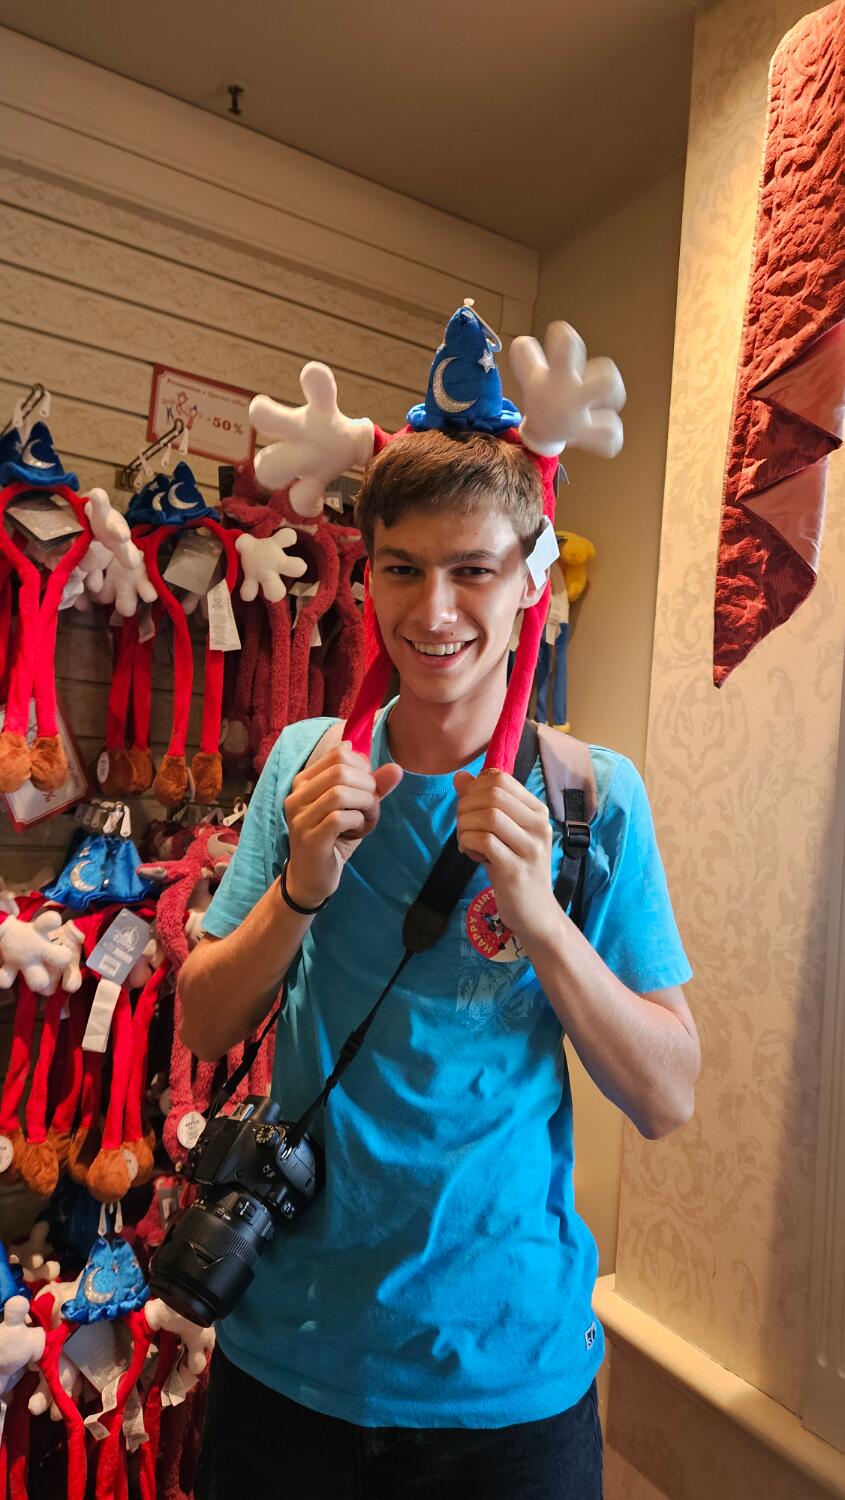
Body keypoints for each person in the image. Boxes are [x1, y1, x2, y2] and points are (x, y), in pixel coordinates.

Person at [181, 336, 700, 1500]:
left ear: (528, 582)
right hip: (289, 1365)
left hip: (507, 1390)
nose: (434, 610)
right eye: (401, 570)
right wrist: (300, 886)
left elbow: (667, 1096)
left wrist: (542, 921)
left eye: (472, 570)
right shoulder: (304, 764)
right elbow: (205, 1023)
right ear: (364, 578)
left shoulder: (591, 798)